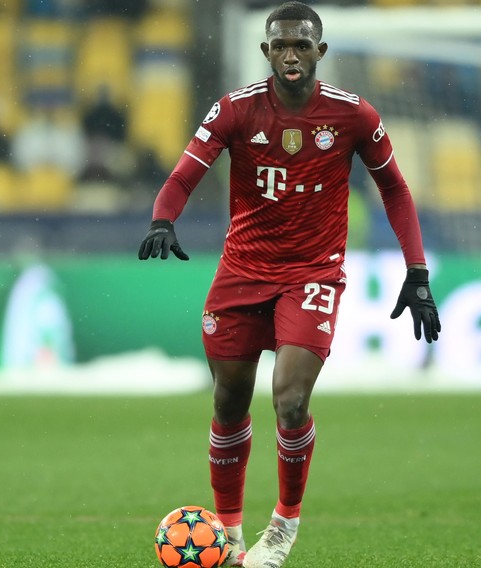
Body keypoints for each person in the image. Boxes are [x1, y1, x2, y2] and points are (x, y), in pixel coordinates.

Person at [137, 3, 441, 567]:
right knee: (228, 401)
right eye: (281, 45)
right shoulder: (235, 110)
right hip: (242, 272)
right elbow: (185, 173)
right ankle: (228, 532)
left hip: (312, 274)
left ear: (319, 52)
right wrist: (163, 217)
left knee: (291, 401)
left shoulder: (354, 116)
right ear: (266, 52)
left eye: (303, 45)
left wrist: (416, 271)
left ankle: (282, 525)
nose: (292, 54)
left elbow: (395, 191)